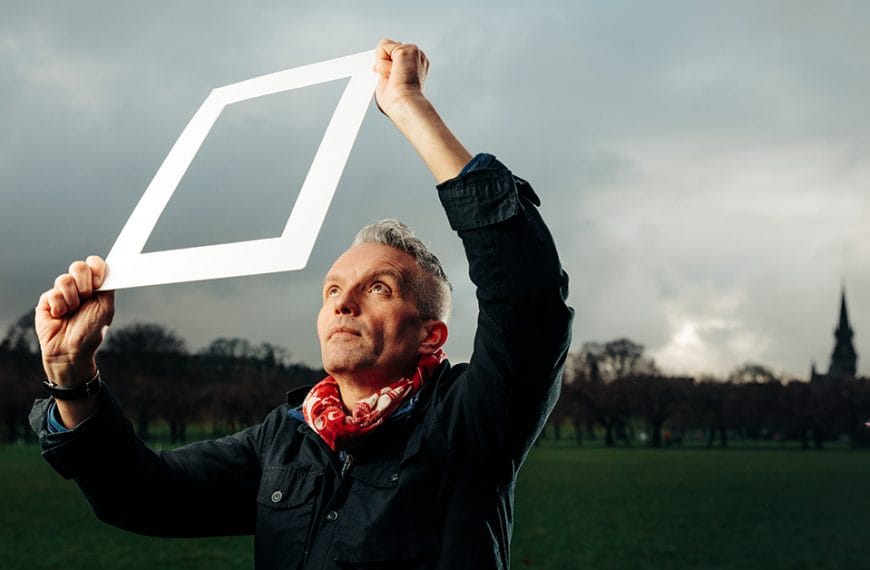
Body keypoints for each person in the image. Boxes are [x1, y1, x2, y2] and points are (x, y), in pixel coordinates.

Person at [30, 38, 574, 569]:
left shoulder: (469, 420)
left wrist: (410, 109)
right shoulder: (286, 438)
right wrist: (71, 377)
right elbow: (141, 495)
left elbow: (528, 300)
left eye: (378, 287)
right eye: (333, 289)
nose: (344, 304)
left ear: (430, 334)